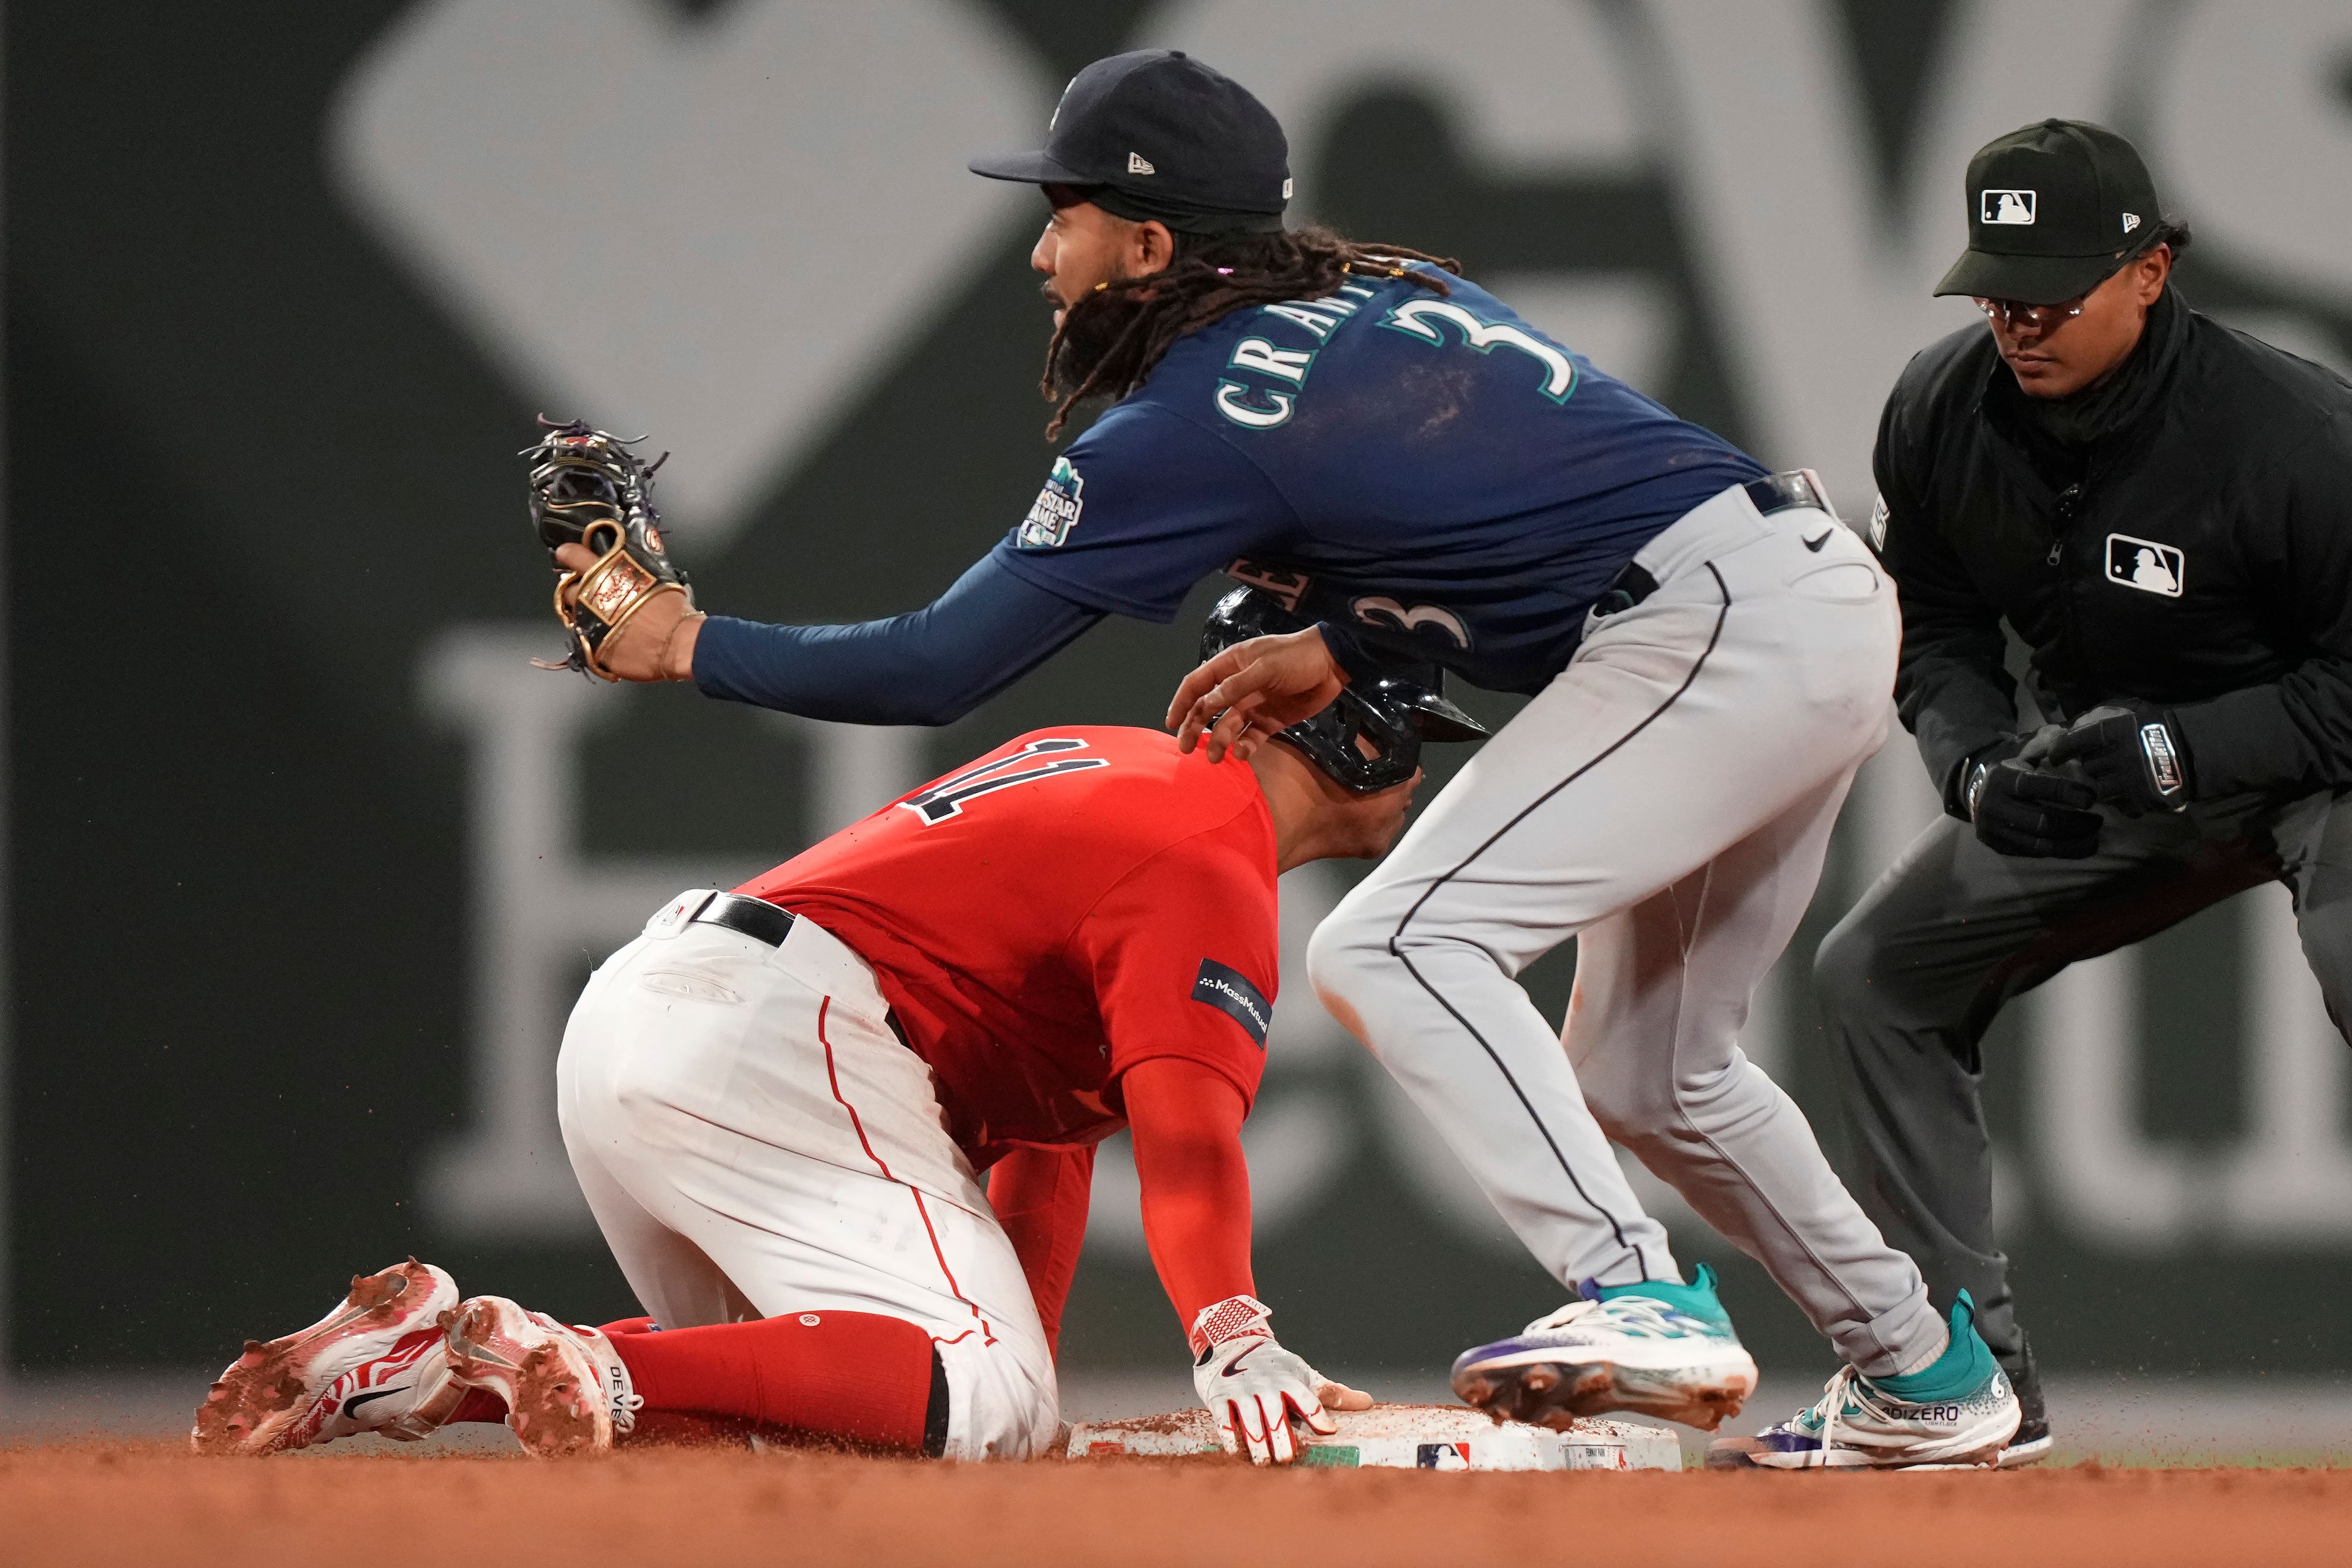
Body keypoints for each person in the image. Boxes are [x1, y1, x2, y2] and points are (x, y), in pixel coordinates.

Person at [555, 48, 2018, 1468]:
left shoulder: (1187, 422)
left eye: (1060, 213)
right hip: (1791, 591)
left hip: (1708, 627)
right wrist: (1351, 624)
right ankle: (1923, 1370)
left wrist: (685, 644)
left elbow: (940, 660)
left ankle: (1634, 1294)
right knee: (1658, 1069)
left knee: (1397, 941)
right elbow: (1503, 495)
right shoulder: (1380, 287)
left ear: (1143, 239)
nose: (1040, 252)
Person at [190, 590, 1488, 1463]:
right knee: (972, 1389)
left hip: (657, 1022)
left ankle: (430, 1363)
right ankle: (570, 1349)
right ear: (1359, 737)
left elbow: (1055, 1135)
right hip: (773, 1039)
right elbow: (1191, 1139)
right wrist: (1232, 1336)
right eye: (1412, 728)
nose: (1419, 766)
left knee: (839, 1407)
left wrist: (1013, 1393)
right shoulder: (1212, 847)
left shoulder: (1123, 772)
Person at [1812, 118, 2352, 1466]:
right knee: (1878, 971)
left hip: (2317, 757)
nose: (2021, 319)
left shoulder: (2293, 434)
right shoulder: (1943, 408)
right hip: (2123, 762)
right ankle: (1962, 1378)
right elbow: (1928, 626)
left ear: (2155, 270)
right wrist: (1975, 765)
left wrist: (2187, 750)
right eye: (2000, 288)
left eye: (2053, 291)